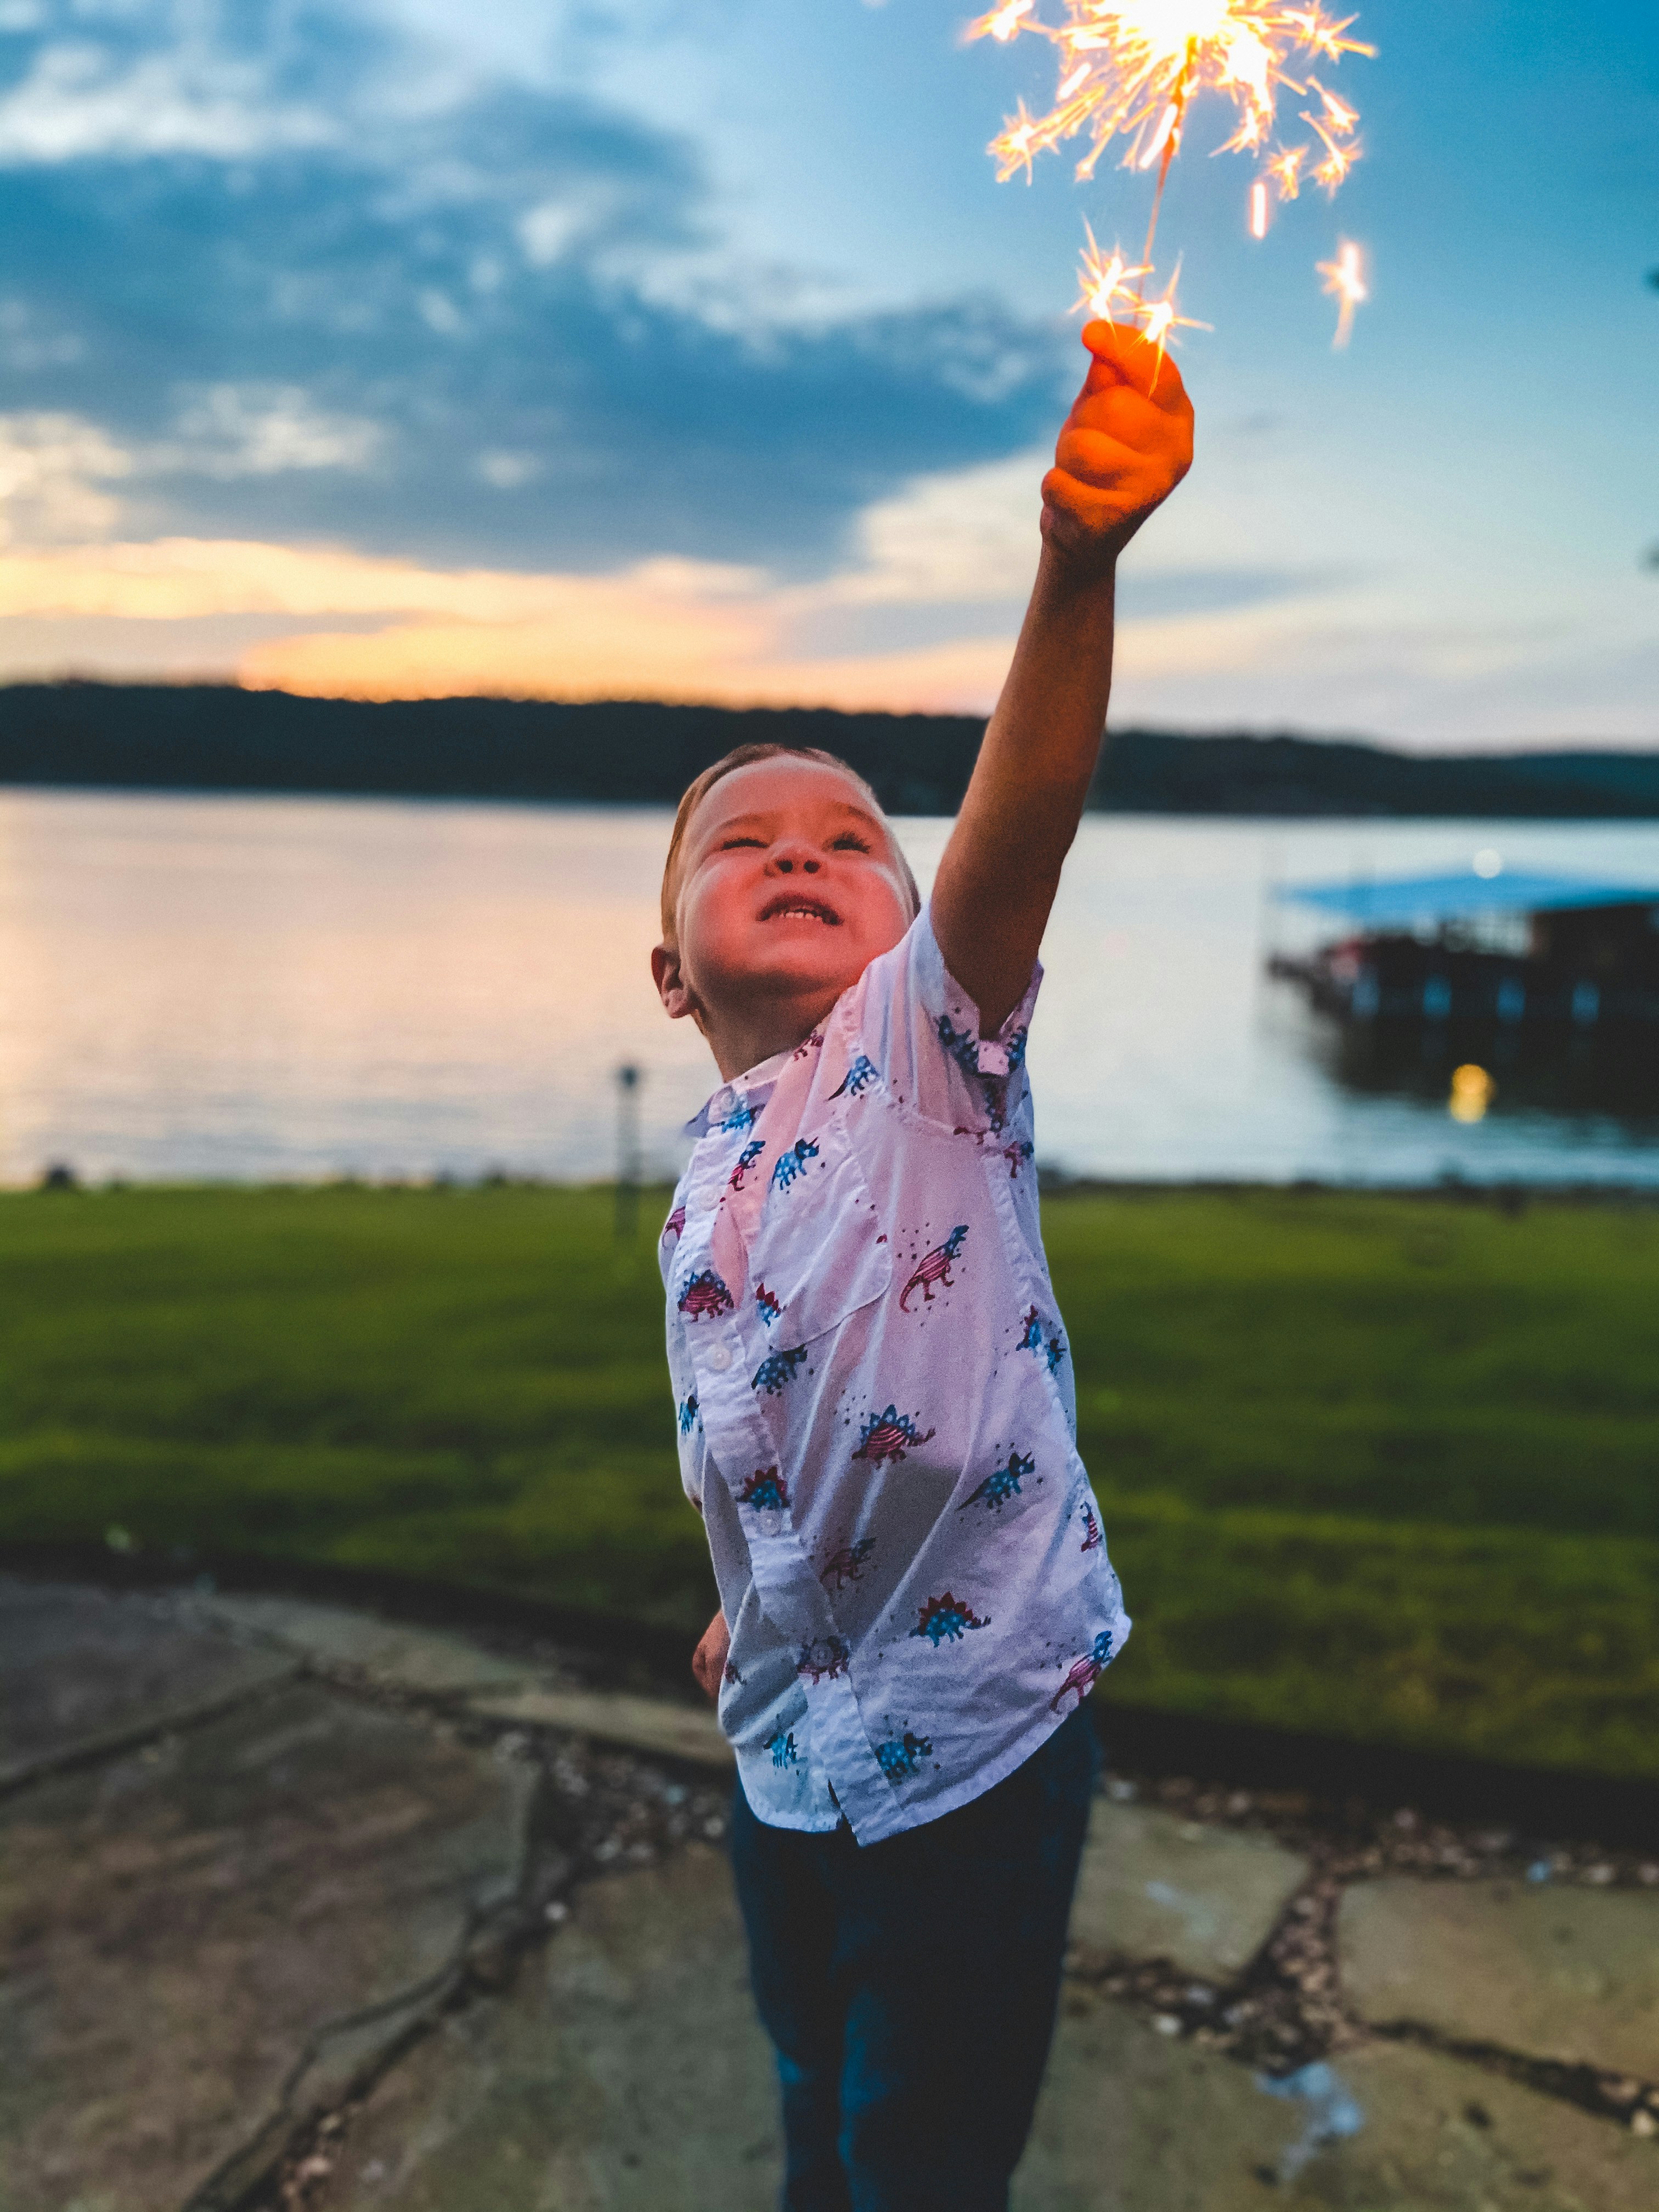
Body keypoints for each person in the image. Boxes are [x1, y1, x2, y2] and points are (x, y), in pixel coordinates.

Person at [651, 318, 1193, 2212]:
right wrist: (751, 1594)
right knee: (812, 2070)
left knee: (923, 2151)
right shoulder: (706, 1177)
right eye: (745, 843)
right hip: (785, 1748)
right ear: (671, 974)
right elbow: (743, 1430)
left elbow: (1019, 812)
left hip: (977, 1750)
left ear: (913, 919)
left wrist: (1076, 563)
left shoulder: (922, 1053)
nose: (803, 853)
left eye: (855, 841)